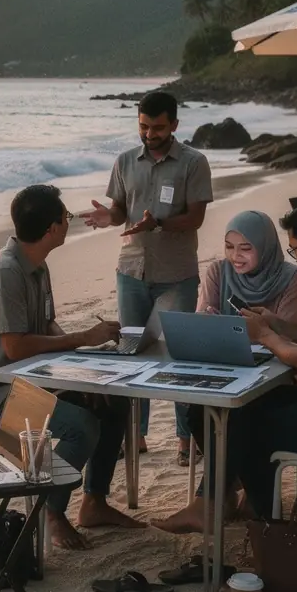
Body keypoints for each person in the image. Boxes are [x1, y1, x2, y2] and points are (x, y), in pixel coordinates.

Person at [157, 200, 297, 532]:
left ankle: (255, 517)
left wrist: (264, 335)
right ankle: (239, 505)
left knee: (240, 422)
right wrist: (276, 326)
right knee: (239, 411)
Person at [0, 184, 142, 550]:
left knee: (112, 403)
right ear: (51, 230)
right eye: (65, 218)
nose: (67, 223)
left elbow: (48, 327)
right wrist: (80, 339)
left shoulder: (36, 264)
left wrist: (88, 357)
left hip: (34, 379)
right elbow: (13, 347)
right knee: (81, 428)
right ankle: (51, 512)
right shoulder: (5, 272)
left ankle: (94, 503)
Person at [81, 90, 213, 455]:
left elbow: (196, 217)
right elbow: (121, 210)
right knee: (132, 355)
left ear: (174, 124)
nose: (149, 134)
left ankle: (187, 438)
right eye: (143, 126)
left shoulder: (194, 162)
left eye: (157, 127)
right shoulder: (124, 161)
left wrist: (159, 224)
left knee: (178, 356)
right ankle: (135, 436)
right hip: (131, 271)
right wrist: (111, 218)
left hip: (177, 274)